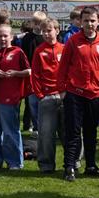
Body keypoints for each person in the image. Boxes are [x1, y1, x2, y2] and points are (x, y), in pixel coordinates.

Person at [60, 7, 99, 181]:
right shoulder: (73, 41)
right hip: (75, 92)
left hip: (95, 94)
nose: (89, 24)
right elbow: (63, 66)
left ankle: (90, 165)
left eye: (92, 21)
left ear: (98, 22)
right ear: (80, 22)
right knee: (73, 132)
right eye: (86, 21)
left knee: (91, 132)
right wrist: (62, 89)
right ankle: (69, 166)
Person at [0, 22, 29, 170]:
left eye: (5, 36)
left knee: (10, 131)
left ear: (11, 36)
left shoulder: (18, 52)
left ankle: (15, 162)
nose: (2, 39)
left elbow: (29, 71)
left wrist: (16, 73)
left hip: (10, 96)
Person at [30, 18, 66, 173]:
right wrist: (40, 95)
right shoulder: (39, 51)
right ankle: (46, 165)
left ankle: (72, 163)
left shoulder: (64, 49)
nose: (45, 33)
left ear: (57, 31)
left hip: (64, 96)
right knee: (46, 134)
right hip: (47, 97)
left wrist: (66, 92)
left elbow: (70, 71)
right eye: (43, 31)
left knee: (68, 132)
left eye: (49, 30)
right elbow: (35, 75)